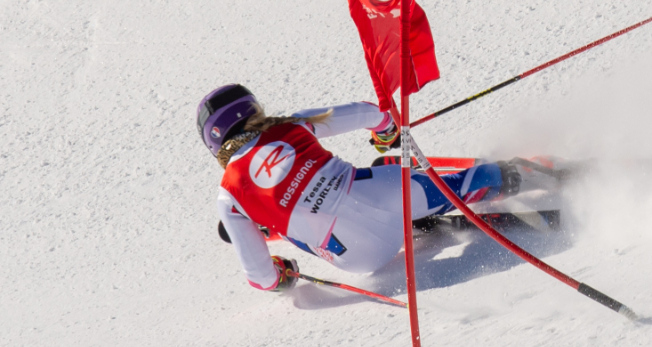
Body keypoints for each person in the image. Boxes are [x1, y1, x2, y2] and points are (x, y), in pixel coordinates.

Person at [200, 84, 520, 292]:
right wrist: (387, 132)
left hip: (360, 256)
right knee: (446, 186)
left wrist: (282, 274)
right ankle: (500, 177)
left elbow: (262, 278)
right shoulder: (289, 124)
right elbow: (373, 113)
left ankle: (266, 226)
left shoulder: (228, 197)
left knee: (292, 224)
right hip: (389, 196)